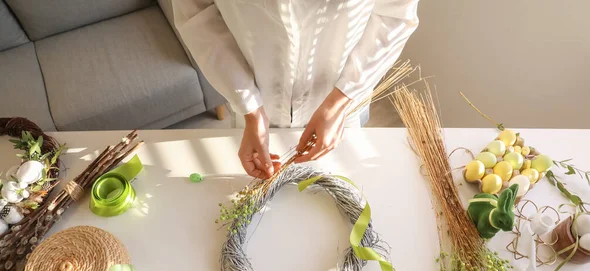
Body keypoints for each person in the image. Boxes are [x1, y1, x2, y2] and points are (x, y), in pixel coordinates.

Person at [172, 0, 419, 179]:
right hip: (253, 97)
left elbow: (396, 15)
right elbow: (197, 16)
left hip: (343, 100)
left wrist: (339, 101)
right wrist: (250, 110)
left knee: (346, 182)